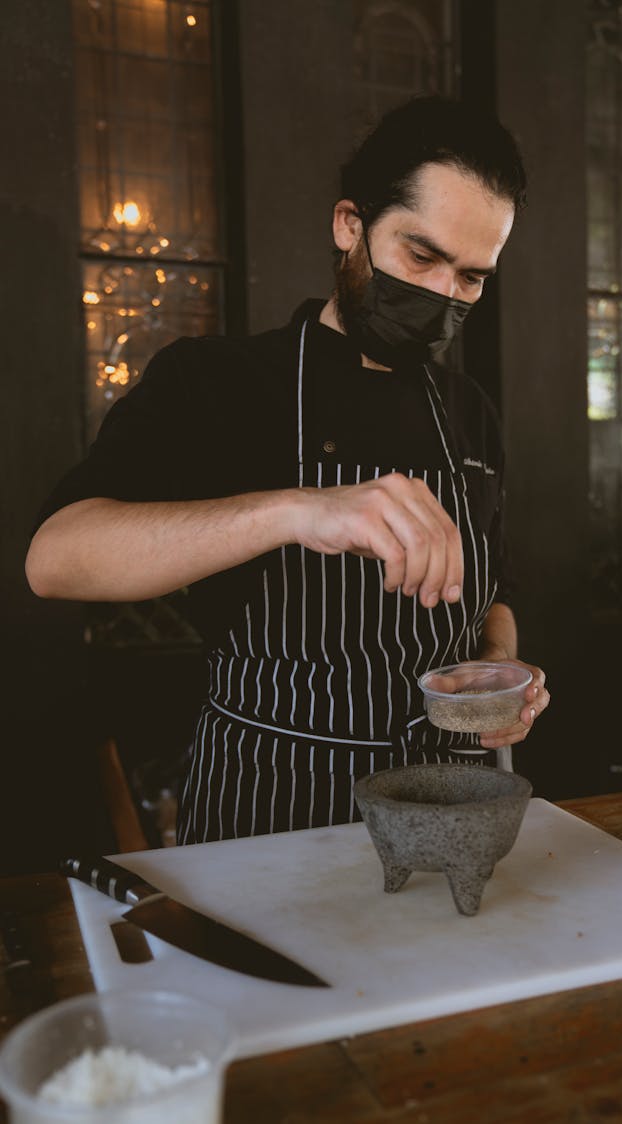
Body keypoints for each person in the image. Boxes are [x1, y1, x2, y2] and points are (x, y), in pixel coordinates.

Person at [26, 96, 549, 843]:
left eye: (470, 278)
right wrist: (298, 511)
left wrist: (497, 671)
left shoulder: (469, 413)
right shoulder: (216, 383)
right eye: (421, 255)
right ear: (349, 225)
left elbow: (492, 595)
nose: (440, 295)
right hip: (269, 813)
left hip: (450, 808)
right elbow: (55, 559)